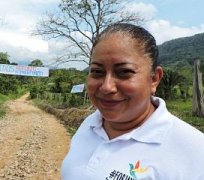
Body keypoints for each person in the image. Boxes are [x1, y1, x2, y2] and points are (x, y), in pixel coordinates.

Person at [61, 23, 204, 180]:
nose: (107, 87)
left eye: (124, 72)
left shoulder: (194, 152)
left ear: (154, 79)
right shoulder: (90, 124)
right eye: (97, 71)